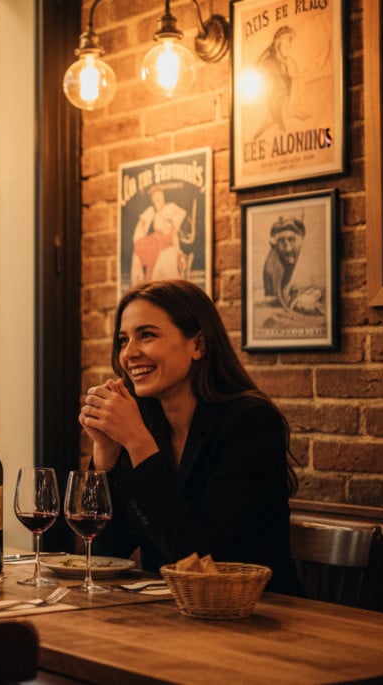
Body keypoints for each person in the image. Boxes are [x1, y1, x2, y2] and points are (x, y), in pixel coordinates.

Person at [77, 279, 301, 594]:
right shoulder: (147, 422)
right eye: (123, 340)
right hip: (172, 618)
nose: (130, 354)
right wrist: (105, 456)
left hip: (256, 614)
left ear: (198, 345)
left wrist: (139, 445)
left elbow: (205, 565)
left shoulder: (250, 423)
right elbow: (104, 556)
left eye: (147, 335)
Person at [250, 25, 309, 141]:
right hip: (275, 104)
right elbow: (265, 87)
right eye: (286, 43)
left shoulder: (289, 63)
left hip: (285, 104)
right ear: (278, 44)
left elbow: (293, 89)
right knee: (275, 125)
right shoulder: (269, 63)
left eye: (290, 43)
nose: (289, 46)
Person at [262, 216, 325, 316]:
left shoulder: (314, 260)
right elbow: (271, 297)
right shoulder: (273, 264)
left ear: (301, 240)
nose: (288, 248)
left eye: (292, 240)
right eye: (281, 241)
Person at [129, 185, 189, 285]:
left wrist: (178, 249)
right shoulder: (153, 213)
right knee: (139, 245)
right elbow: (142, 229)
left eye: (159, 196)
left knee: (149, 247)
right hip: (156, 239)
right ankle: (140, 281)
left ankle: (147, 280)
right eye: (154, 197)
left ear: (163, 197)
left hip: (164, 240)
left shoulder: (170, 208)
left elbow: (174, 231)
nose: (157, 199)